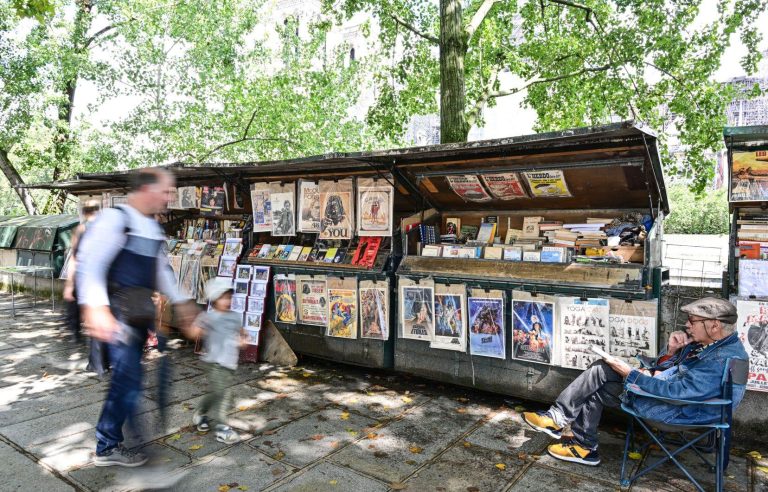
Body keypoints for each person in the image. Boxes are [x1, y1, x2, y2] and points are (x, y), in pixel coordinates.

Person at [522, 297, 748, 466]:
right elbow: (667, 373)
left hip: (678, 412)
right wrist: (670, 352)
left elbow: (676, 393)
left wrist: (632, 375)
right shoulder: (711, 344)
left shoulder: (721, 358)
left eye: (692, 321)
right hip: (678, 402)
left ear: (715, 325)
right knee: (600, 375)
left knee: (600, 375)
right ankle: (574, 436)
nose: (687, 325)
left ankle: (572, 433)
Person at [78, 168, 197, 467]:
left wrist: (184, 305)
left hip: (137, 315)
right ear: (146, 189)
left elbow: (162, 272)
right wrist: (96, 308)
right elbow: (90, 265)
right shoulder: (115, 219)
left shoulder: (152, 228)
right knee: (128, 380)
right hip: (117, 314)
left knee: (127, 380)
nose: (169, 197)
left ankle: (110, 444)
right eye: (166, 191)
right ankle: (109, 447)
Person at [186, 277, 246, 444]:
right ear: (213, 299)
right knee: (224, 393)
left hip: (229, 363)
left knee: (215, 392)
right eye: (223, 297)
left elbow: (242, 333)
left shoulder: (235, 317)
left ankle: (201, 412)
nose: (227, 301)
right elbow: (193, 334)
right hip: (213, 362)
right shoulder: (208, 317)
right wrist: (195, 327)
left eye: (229, 297)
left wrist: (242, 340)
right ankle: (222, 428)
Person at [63, 199, 101, 344]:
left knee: (75, 305)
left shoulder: (80, 229)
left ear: (84, 212)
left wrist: (69, 284)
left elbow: (74, 257)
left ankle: (75, 331)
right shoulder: (104, 230)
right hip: (98, 276)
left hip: (82, 275)